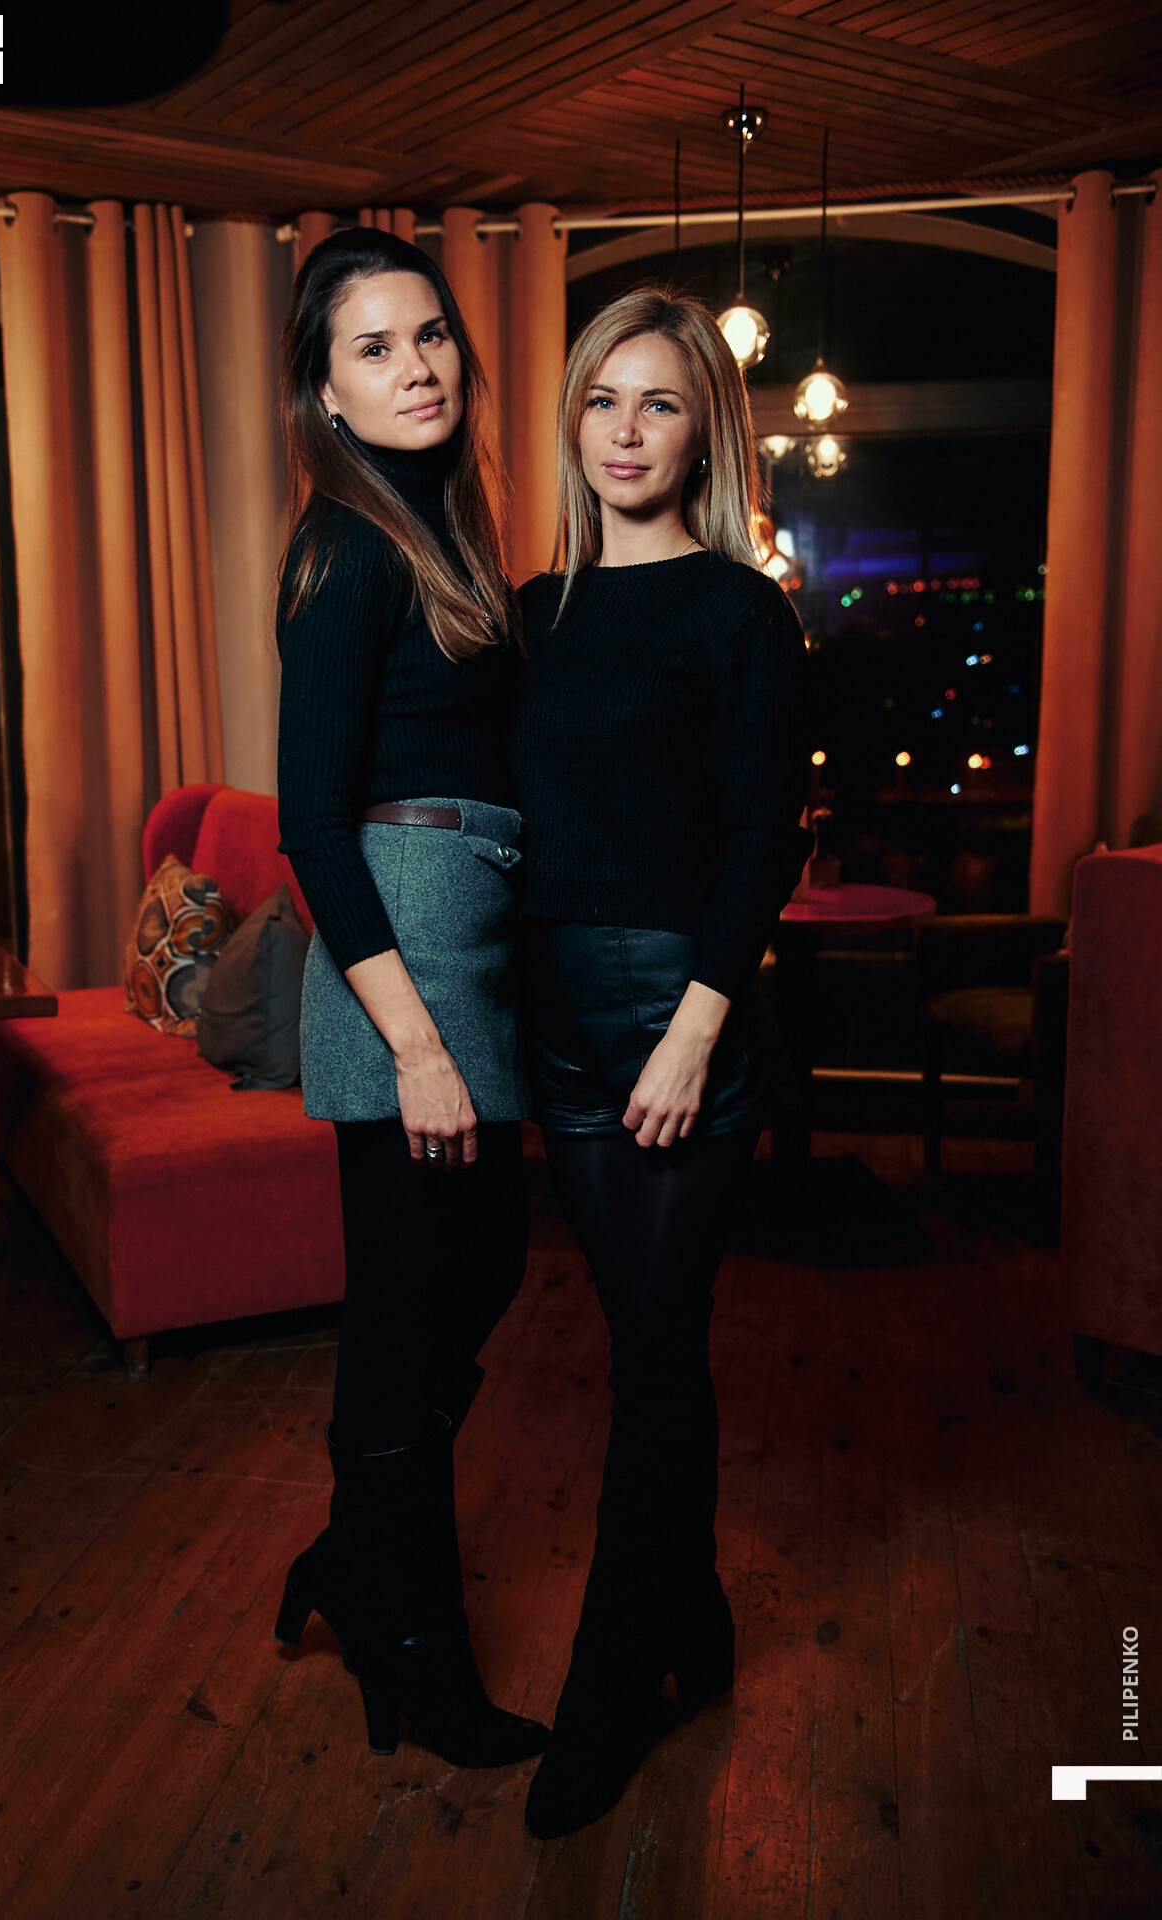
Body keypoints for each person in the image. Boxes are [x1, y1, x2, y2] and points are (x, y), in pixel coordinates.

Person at [510, 287, 812, 1837]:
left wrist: (693, 1032)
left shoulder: (741, 612)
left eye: (661, 403)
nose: (624, 432)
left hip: (678, 1016)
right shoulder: (530, 612)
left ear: (707, 433)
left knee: (650, 1351)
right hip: (555, 1021)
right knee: (652, 1348)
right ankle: (689, 1609)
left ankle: (611, 1684)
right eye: (601, 400)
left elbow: (764, 837)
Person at [271, 227, 546, 1772]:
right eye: (374, 347)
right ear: (326, 391)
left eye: (430, 333)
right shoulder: (345, 549)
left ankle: (349, 1556)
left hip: (467, 947)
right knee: (401, 1312)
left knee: (483, 1263)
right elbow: (315, 826)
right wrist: (419, 1047)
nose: (417, 366)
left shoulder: (438, 528)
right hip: (402, 974)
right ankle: (418, 1651)